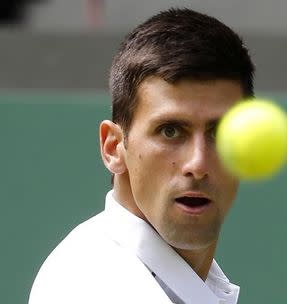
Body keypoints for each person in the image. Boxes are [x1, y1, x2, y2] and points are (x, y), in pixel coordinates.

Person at [28, 8, 254, 304]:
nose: (197, 164)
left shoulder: (182, 282)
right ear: (113, 147)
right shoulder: (97, 287)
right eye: (170, 131)